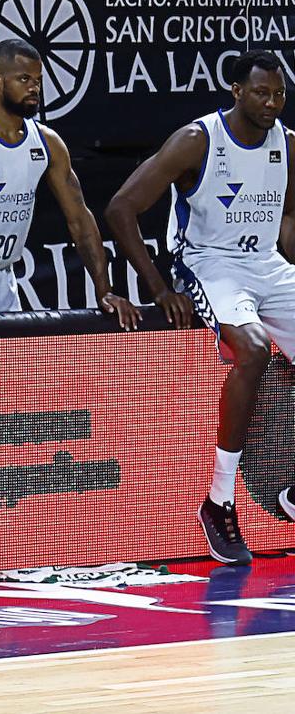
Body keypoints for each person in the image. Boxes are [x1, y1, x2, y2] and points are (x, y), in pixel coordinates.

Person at [106, 50, 295, 566]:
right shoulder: (198, 140)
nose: (272, 103)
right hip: (209, 263)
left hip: (265, 264)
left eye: (279, 94)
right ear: (237, 91)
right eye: (261, 92)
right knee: (253, 351)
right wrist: (160, 287)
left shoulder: (288, 145)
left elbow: (288, 221)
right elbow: (121, 207)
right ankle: (219, 501)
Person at [0, 38, 140, 473]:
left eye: (38, 80)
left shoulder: (47, 143)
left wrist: (105, 289)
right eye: (24, 80)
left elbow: (80, 219)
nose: (35, 89)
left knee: (7, 394)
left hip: (2, 277)